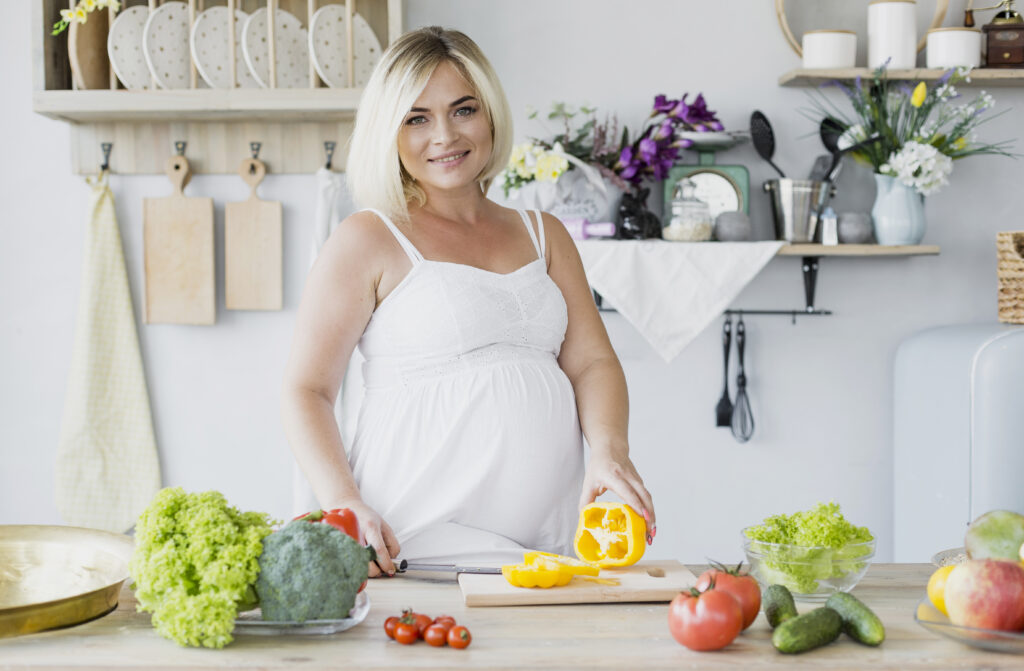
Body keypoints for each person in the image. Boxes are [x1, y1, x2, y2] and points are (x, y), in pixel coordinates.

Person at [282, 26, 655, 577]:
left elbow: (594, 362)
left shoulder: (544, 233)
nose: (444, 136)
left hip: (542, 552)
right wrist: (344, 503)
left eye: (463, 109)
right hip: (411, 545)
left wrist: (609, 449)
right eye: (417, 118)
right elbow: (306, 389)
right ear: (390, 130)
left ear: (490, 115)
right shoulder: (368, 237)